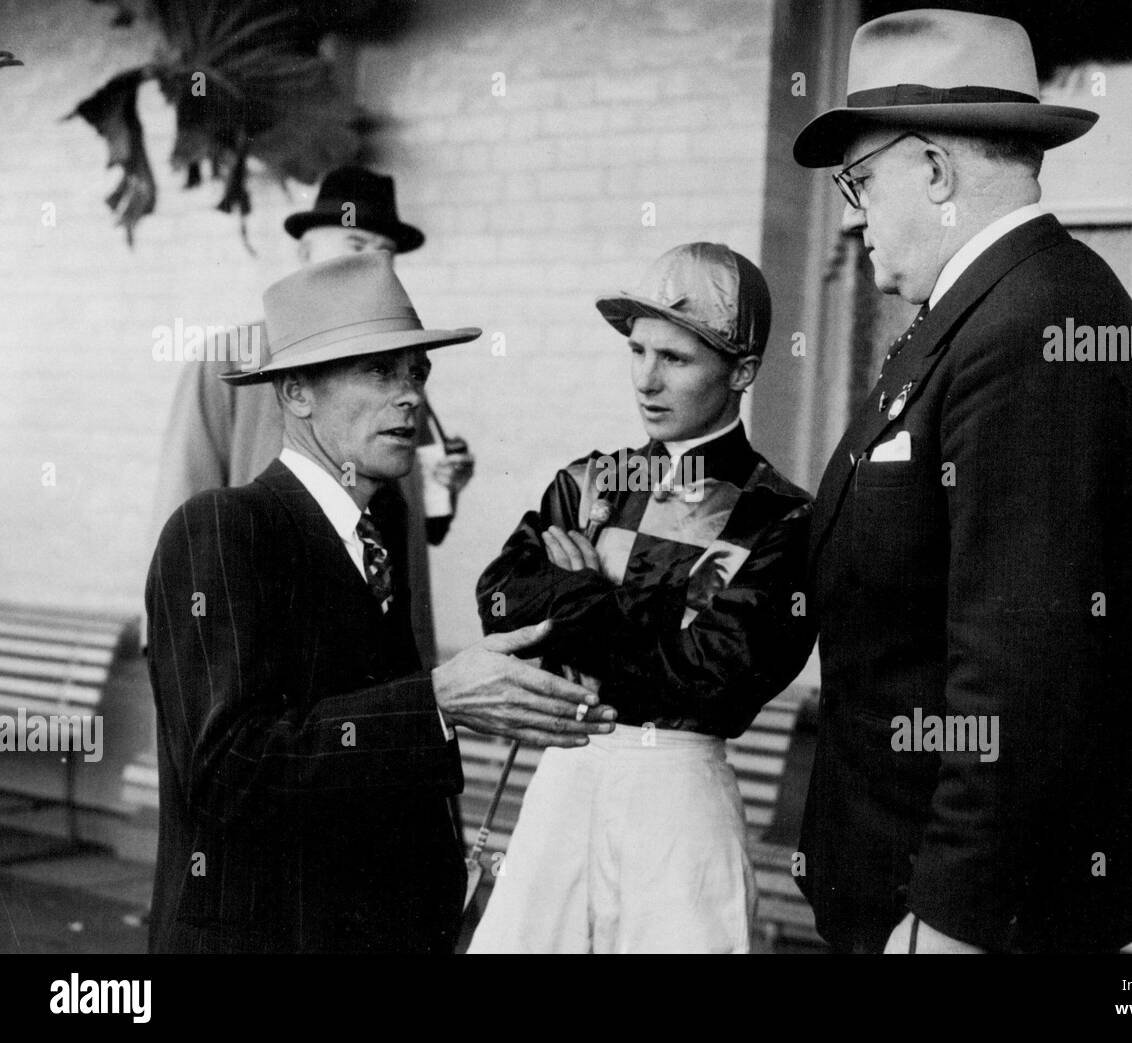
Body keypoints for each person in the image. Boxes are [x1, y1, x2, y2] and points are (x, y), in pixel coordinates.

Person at [792, 10, 1132, 952]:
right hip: (900, 882)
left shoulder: (1035, 326)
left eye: (860, 179)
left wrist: (953, 915)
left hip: (967, 915)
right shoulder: (981, 316)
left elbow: (1023, 666)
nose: (853, 214)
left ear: (934, 169)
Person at [145, 253, 616, 954]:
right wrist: (436, 703)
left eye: (417, 372)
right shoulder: (225, 526)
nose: (411, 398)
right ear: (297, 391)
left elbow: (364, 734)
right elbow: (225, 768)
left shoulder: (380, 528)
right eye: (379, 371)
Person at [468, 243, 814, 952]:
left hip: (679, 796)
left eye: (676, 359)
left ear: (741, 371)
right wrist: (662, 609)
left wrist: (582, 590)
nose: (646, 381)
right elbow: (500, 602)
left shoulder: (783, 517)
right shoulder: (587, 481)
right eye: (637, 351)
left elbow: (713, 675)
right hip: (563, 775)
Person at [152, 166, 473, 670]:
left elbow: (413, 514)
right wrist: (178, 632)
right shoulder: (233, 356)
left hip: (384, 645)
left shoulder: (397, 364)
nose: (374, 264)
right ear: (303, 252)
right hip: (276, 637)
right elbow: (185, 496)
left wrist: (444, 487)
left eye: (386, 254)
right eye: (355, 243)